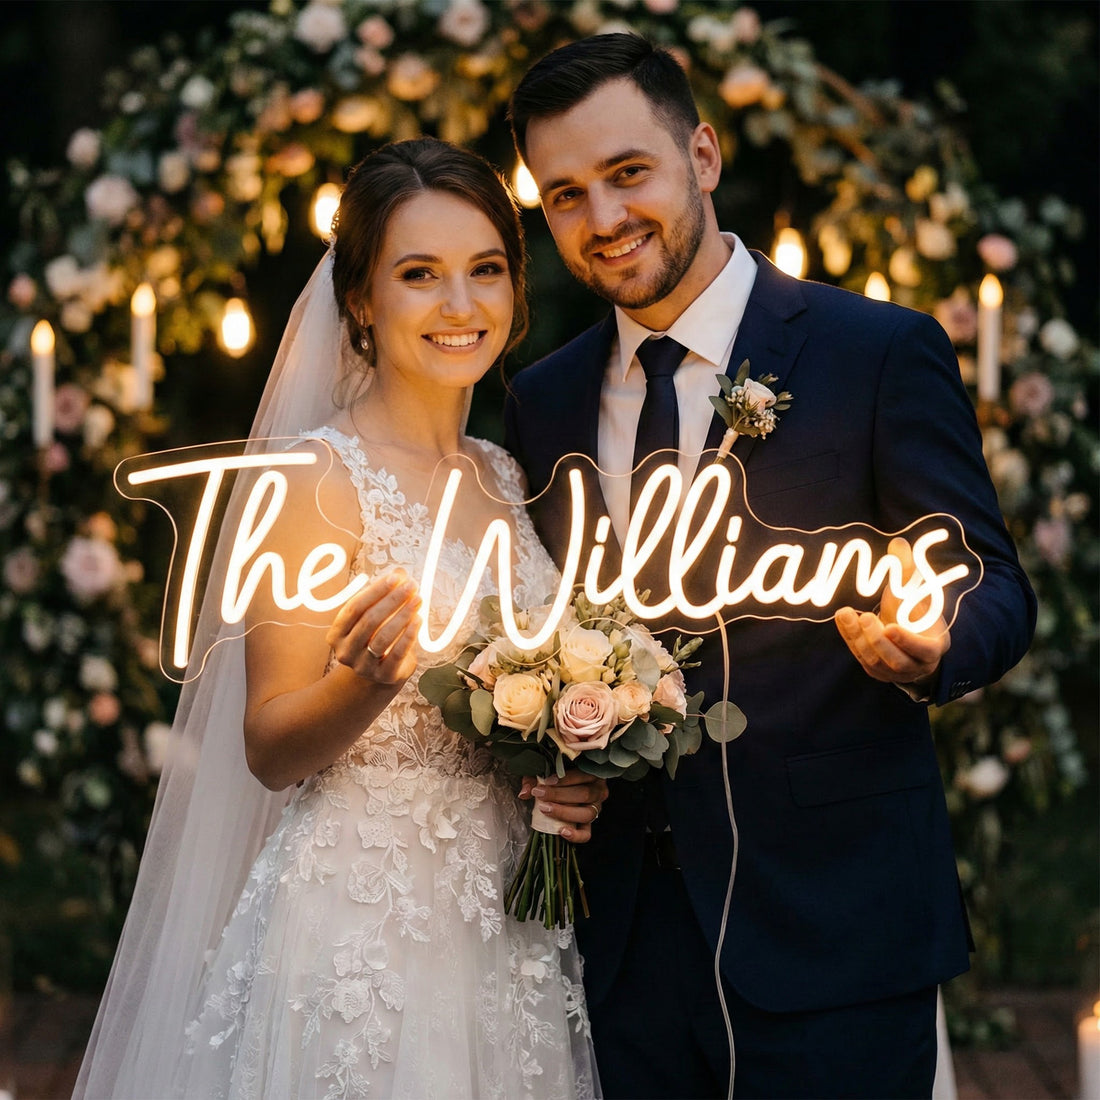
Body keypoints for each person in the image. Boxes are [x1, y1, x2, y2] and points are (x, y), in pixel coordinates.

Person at [504, 34, 1036, 1100]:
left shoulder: (873, 351)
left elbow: (990, 578)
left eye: (625, 174)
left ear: (700, 154)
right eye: (564, 196)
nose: (602, 220)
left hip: (832, 918)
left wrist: (930, 647)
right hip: (622, 941)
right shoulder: (540, 397)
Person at [74, 137, 604, 1100]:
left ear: (517, 291)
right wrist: (362, 685)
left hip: (509, 921)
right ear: (360, 300)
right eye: (419, 275)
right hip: (364, 924)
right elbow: (270, 747)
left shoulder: (506, 473)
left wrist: (566, 766)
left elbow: (508, 708)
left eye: (486, 270)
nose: (459, 305)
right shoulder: (317, 482)